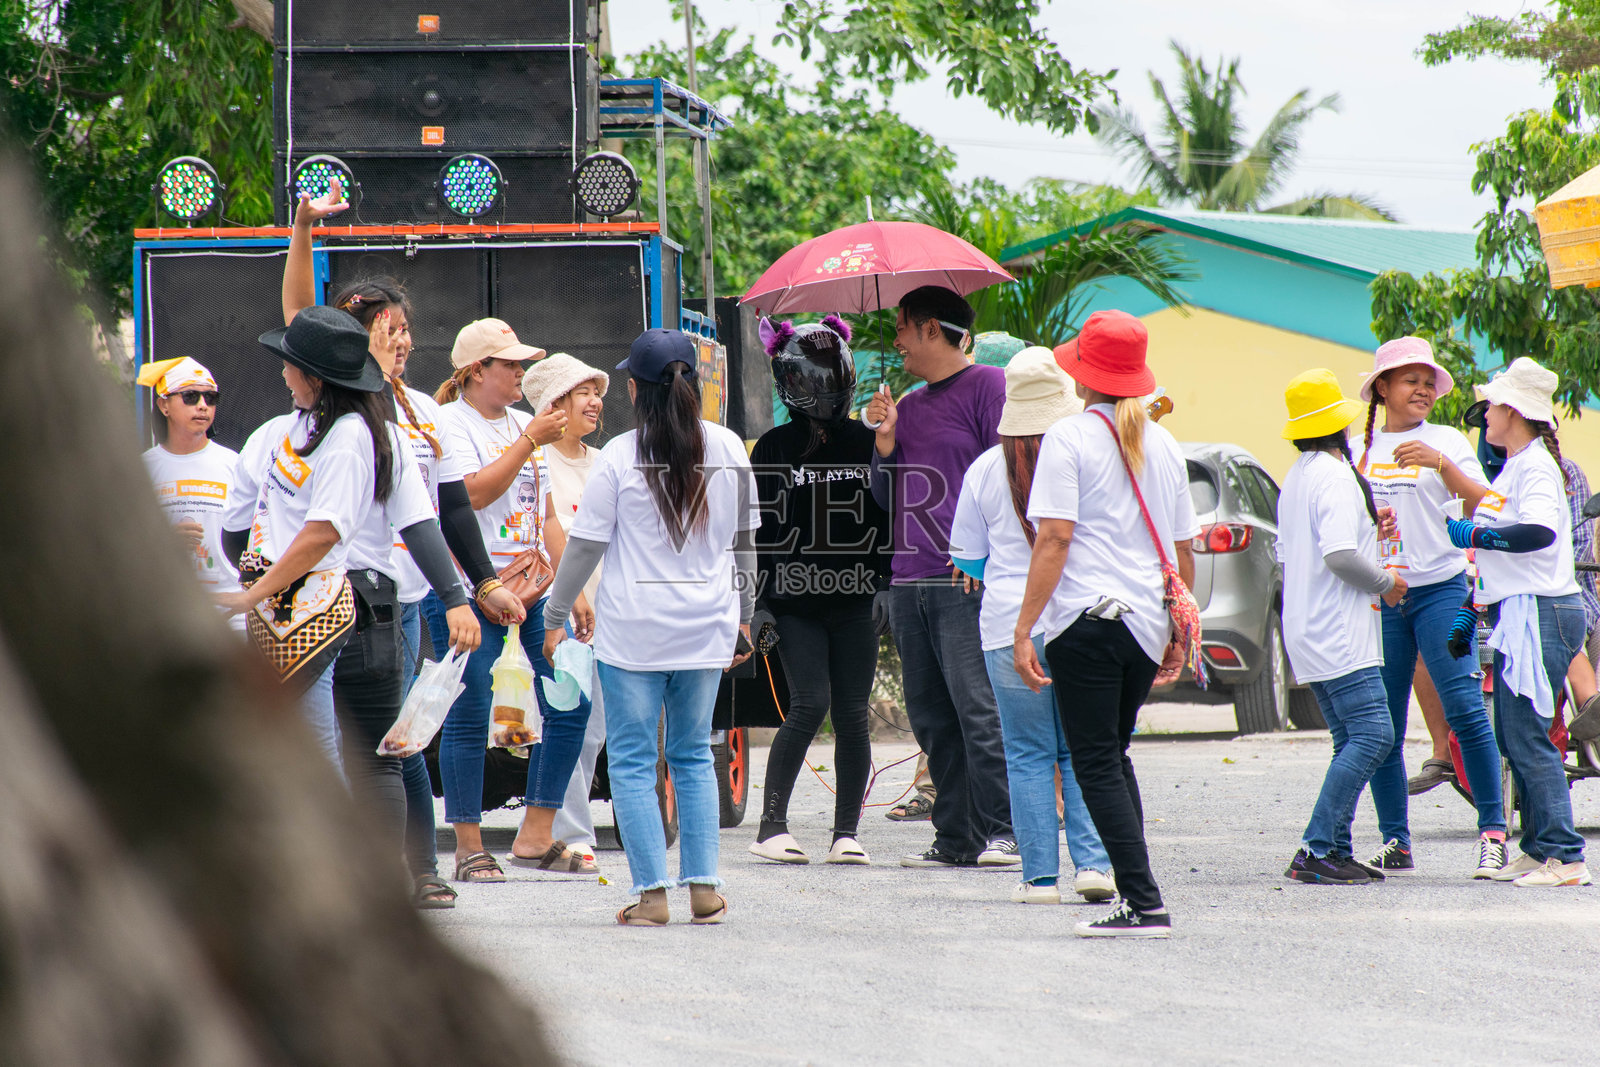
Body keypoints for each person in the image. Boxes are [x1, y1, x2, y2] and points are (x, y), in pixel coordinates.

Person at [279, 185, 525, 907]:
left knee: (399, 741)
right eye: (390, 329)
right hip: (324, 592)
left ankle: (419, 870)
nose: (405, 341)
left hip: (405, 601)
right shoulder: (330, 405)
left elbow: (447, 510)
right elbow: (297, 314)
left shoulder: (427, 415)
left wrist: (474, 587)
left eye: (407, 329)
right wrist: (300, 227)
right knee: (337, 744)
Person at [543, 328, 757, 925]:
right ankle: (705, 891)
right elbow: (745, 549)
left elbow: (584, 548)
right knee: (692, 755)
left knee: (634, 760)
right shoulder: (729, 448)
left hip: (632, 633)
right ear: (692, 383)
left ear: (635, 390)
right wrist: (742, 616)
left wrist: (556, 617)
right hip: (705, 629)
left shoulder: (618, 456)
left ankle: (652, 896)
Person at [1011, 310, 1197, 938]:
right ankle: (1136, 895)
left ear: (1083, 374)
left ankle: (1144, 903)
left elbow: (1055, 538)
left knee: (1094, 762)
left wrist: (1022, 628)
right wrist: (1175, 631)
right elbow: (1181, 551)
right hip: (1144, 627)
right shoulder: (1165, 443)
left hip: (1085, 623)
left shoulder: (1068, 438)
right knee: (1112, 758)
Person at [948, 346, 1115, 904]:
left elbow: (967, 558)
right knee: (1081, 750)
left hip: (1005, 630)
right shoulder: (1089, 458)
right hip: (1078, 623)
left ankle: (1039, 878)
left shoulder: (982, 470)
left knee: (1027, 753)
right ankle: (1092, 867)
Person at [434, 318, 595, 883]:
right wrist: (529, 441)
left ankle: (535, 834)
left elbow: (546, 514)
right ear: (476, 371)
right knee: (469, 707)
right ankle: (469, 846)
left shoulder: (527, 424)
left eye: (523, 363)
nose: (521, 373)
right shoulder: (448, 423)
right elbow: (470, 495)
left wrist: (569, 585)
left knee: (570, 699)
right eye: (510, 364)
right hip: (465, 585)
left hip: (533, 584)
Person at [865, 285, 1016, 870]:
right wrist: (884, 443)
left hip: (965, 580)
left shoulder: (989, 389)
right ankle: (956, 838)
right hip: (909, 580)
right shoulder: (911, 405)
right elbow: (885, 498)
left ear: (932, 329)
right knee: (930, 715)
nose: (897, 339)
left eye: (902, 327)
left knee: (977, 708)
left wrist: (986, 561)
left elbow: (1005, 480)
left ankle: (1006, 830)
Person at [217, 307, 401, 766]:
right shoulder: (309, 422)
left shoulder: (347, 438)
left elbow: (321, 535)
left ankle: (335, 841)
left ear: (314, 378)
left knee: (311, 752)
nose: (282, 373)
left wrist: (252, 594)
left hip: (307, 612)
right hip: (280, 605)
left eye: (289, 364)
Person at [1352, 336, 1506, 878]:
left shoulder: (1444, 440)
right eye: (1408, 380)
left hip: (1442, 589)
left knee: (1465, 709)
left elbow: (1485, 506)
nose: (1421, 389)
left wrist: (1441, 464)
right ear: (1383, 389)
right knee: (1384, 725)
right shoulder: (1357, 450)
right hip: (1382, 595)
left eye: (1427, 382)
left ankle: (1493, 833)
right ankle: (1396, 840)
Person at [747, 315, 890, 866]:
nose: (824, 388)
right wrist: (758, 602)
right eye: (814, 378)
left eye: (833, 375)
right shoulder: (774, 448)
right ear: (791, 382)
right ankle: (771, 827)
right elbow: (759, 532)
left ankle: (846, 834)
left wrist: (886, 583)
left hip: (856, 600)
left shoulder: (869, 441)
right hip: (794, 602)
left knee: (853, 714)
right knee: (809, 704)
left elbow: (890, 515)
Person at [1446, 358, 1590, 887]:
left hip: (1543, 612)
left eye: (1492, 405)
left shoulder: (1534, 469)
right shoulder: (1515, 466)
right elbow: (1507, 556)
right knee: (1512, 733)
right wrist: (1470, 609)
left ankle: (1563, 855)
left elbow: (1539, 535)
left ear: (1514, 410)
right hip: (1518, 610)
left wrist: (1474, 536)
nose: (1484, 414)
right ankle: (1536, 846)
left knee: (1529, 733)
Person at [1274, 369, 1406, 886]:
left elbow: (1312, 548)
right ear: (1339, 426)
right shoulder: (1333, 475)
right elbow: (1338, 555)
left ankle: (1336, 849)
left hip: (1308, 627)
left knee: (1350, 737)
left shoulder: (1301, 475)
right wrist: (1386, 582)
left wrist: (1372, 530)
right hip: (1338, 629)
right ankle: (1316, 846)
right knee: (1375, 734)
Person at [520, 352, 611, 863]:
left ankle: (563, 821)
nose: (596, 401)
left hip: (606, 616)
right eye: (584, 393)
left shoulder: (603, 463)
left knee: (595, 731)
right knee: (567, 723)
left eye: (597, 392)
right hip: (558, 620)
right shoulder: (538, 462)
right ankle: (574, 830)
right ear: (555, 403)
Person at [138, 357, 245, 630]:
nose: (202, 405)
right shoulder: (142, 469)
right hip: (165, 616)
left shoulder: (235, 464)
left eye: (210, 398)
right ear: (164, 404)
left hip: (231, 615)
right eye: (190, 396)